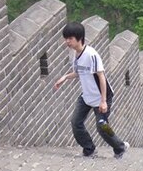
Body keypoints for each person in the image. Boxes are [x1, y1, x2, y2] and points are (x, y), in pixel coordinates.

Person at [54, 22, 129, 159]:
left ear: (79, 38)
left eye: (70, 38)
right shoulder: (75, 56)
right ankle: (89, 149)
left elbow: (101, 77)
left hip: (101, 97)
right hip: (86, 97)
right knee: (76, 122)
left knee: (102, 127)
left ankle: (120, 147)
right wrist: (65, 77)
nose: (67, 42)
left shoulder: (91, 55)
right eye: (66, 38)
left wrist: (103, 101)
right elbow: (79, 72)